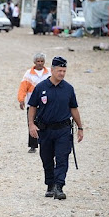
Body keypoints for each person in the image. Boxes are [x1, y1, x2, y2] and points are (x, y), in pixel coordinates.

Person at [28, 56, 83, 200]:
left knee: (62, 158)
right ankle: (50, 185)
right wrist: (31, 125)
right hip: (45, 130)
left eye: (64, 71)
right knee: (46, 158)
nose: (62, 74)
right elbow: (32, 107)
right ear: (52, 70)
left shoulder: (68, 89)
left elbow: (74, 109)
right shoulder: (41, 88)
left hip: (63, 130)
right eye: (59, 71)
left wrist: (80, 127)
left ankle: (59, 186)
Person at [18, 53, 51, 153]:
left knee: (47, 123)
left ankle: (46, 143)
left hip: (46, 104)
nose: (40, 63)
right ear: (34, 62)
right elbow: (23, 88)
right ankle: (33, 145)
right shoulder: (29, 74)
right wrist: (21, 99)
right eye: (38, 61)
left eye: (42, 61)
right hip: (32, 104)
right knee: (32, 123)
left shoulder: (49, 72)